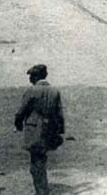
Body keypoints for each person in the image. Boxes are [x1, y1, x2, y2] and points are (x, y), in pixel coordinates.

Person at [14, 64, 65, 195]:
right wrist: (59, 132)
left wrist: (18, 124)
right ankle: (42, 190)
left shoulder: (32, 91)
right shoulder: (55, 91)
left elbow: (22, 111)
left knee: (36, 163)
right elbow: (59, 113)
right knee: (41, 159)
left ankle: (41, 191)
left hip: (34, 129)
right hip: (49, 129)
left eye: (31, 76)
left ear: (37, 77)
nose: (30, 79)